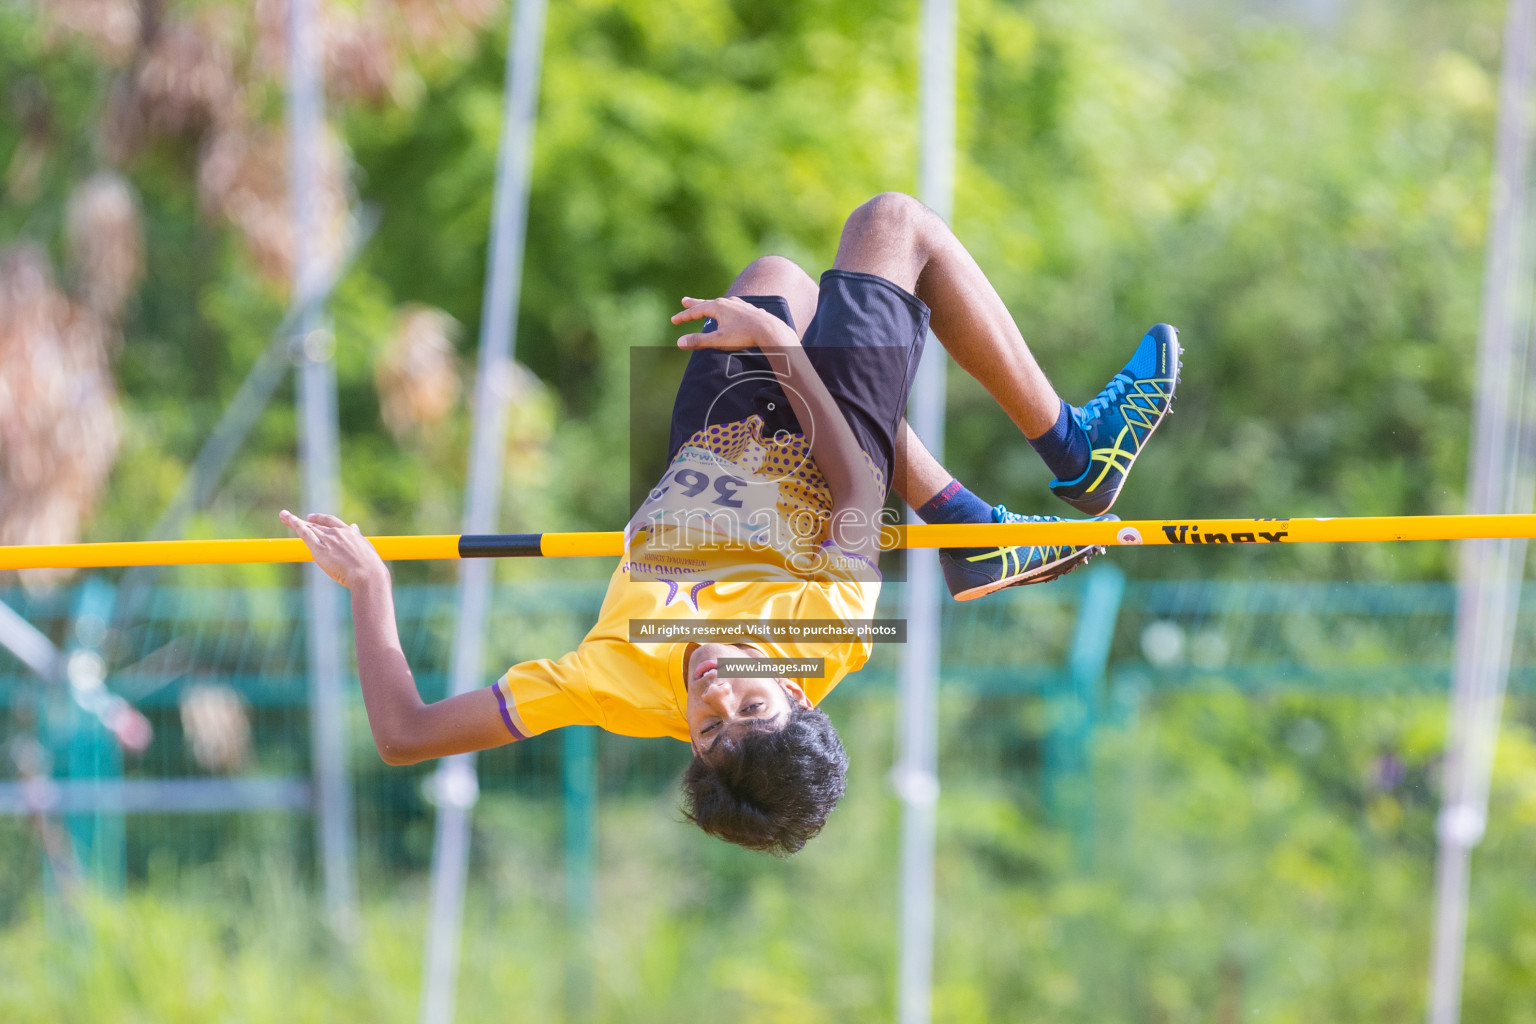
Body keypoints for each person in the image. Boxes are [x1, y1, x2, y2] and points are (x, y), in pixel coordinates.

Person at [280, 192, 1180, 855]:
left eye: (709, 728)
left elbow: (406, 737)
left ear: (693, 749)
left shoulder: (615, 688)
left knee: (773, 279)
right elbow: (860, 489)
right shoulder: (823, 640)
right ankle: (1075, 452)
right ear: (797, 694)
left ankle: (974, 533)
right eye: (748, 703)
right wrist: (787, 356)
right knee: (893, 226)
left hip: (711, 452)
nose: (715, 694)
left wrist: (371, 585)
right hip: (828, 464)